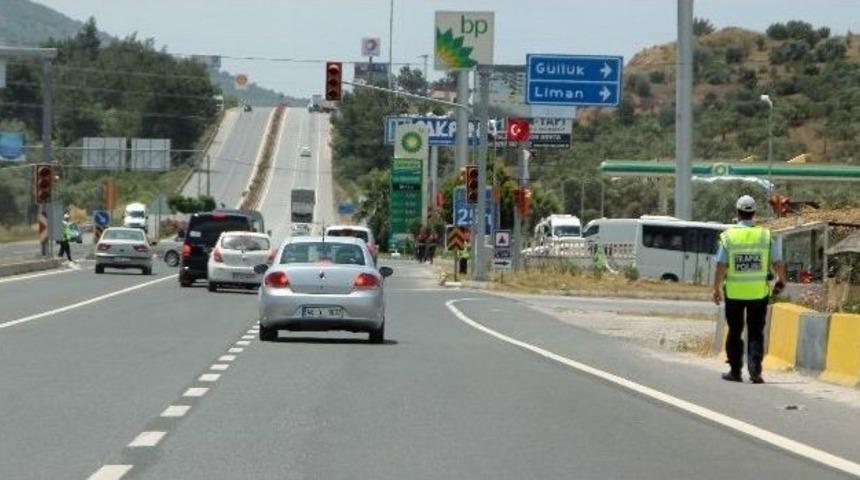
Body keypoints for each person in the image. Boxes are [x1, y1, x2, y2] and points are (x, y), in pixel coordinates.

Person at [712, 195, 786, 384]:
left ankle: (735, 371)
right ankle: (755, 371)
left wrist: (716, 288)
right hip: (758, 293)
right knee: (756, 332)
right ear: (754, 213)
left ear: (737, 213)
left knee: (735, 331)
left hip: (734, 293)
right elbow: (777, 262)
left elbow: (720, 265)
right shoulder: (765, 236)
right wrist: (781, 279)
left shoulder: (729, 236)